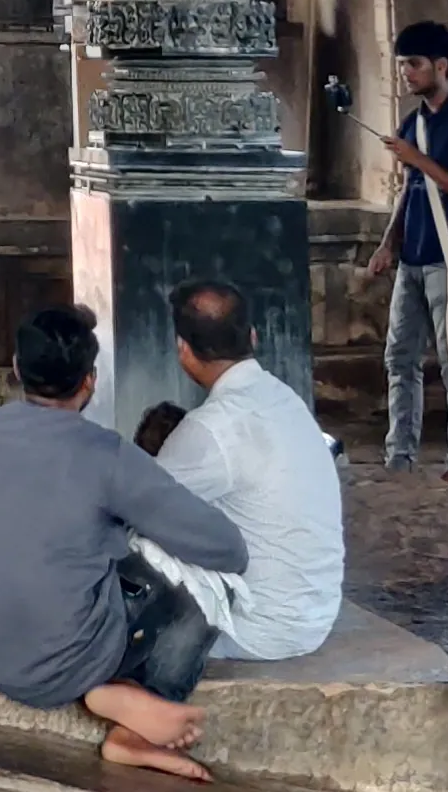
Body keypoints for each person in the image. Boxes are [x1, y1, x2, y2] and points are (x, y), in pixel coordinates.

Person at [0, 303, 248, 779]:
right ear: (90, 381)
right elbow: (227, 548)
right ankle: (140, 711)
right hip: (67, 661)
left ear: (18, 369)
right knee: (204, 586)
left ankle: (108, 693)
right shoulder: (106, 454)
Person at [136, 279, 344, 663]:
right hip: (314, 617)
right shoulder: (286, 400)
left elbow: (140, 512)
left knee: (130, 543)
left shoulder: (212, 427)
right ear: (252, 335)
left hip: (255, 630)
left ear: (183, 350)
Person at [367, 22, 448, 490]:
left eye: (414, 64)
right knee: (399, 360)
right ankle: (398, 457)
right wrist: (389, 243)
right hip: (414, 259)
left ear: (441, 66)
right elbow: (409, 190)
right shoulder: (414, 122)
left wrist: (418, 159)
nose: (406, 72)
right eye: (402, 64)